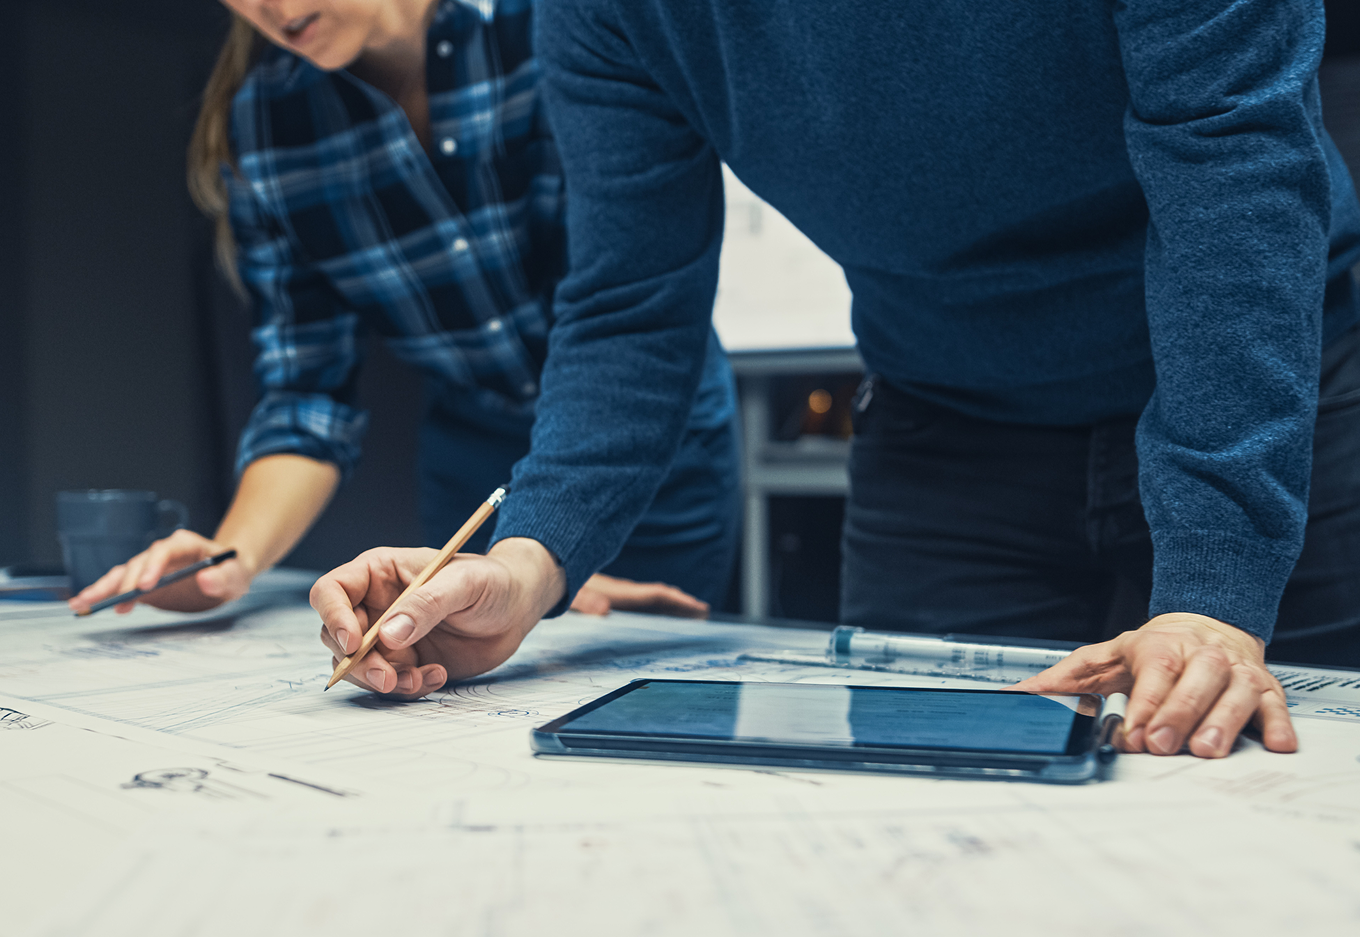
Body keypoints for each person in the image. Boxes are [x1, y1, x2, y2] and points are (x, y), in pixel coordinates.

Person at [310, 0, 1360, 757]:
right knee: (925, 840)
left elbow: (1234, 181)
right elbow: (630, 300)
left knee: (1276, 809)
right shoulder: (601, 16)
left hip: (1275, 406)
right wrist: (529, 568)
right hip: (947, 429)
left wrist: (1214, 583)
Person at [68, 0, 746, 692]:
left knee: (629, 705)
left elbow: (633, 310)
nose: (271, 8)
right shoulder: (267, 127)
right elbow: (307, 396)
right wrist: (229, 558)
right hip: (474, 458)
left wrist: (554, 558)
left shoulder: (561, 24)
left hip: (643, 447)